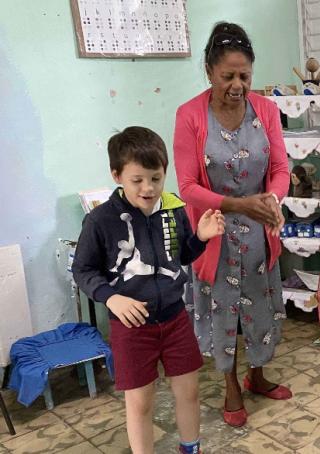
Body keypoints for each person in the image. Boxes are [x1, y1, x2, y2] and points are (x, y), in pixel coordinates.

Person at [72, 126, 225, 454]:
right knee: (140, 405)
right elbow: (83, 270)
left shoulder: (173, 208)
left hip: (175, 319)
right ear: (117, 175)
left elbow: (182, 255)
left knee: (189, 393)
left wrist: (200, 237)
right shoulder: (100, 221)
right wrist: (110, 297)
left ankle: (190, 448)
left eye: (156, 178)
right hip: (131, 329)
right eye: (137, 179)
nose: (148, 188)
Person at [173, 22, 292, 428]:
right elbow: (187, 186)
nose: (238, 85)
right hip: (214, 233)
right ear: (209, 72)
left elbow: (279, 168)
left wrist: (272, 200)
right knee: (223, 311)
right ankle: (230, 387)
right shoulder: (190, 115)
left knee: (261, 306)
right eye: (228, 76)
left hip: (261, 232)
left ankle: (257, 376)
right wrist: (240, 204)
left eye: (245, 76)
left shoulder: (268, 110)